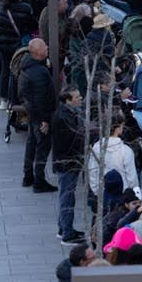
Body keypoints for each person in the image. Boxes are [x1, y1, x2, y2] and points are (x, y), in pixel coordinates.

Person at [19, 37, 57, 191]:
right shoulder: (39, 73)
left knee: (31, 143)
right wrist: (45, 121)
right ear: (38, 53)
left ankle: (28, 176)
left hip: (31, 113)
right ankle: (39, 181)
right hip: (39, 116)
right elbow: (42, 98)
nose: (47, 47)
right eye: (45, 47)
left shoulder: (29, 65)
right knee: (43, 147)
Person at [52, 84, 86, 242]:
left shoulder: (68, 114)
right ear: (68, 101)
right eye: (77, 97)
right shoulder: (65, 117)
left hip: (69, 161)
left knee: (66, 196)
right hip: (68, 163)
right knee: (67, 197)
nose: (81, 99)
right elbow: (74, 138)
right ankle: (67, 233)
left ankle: (64, 228)